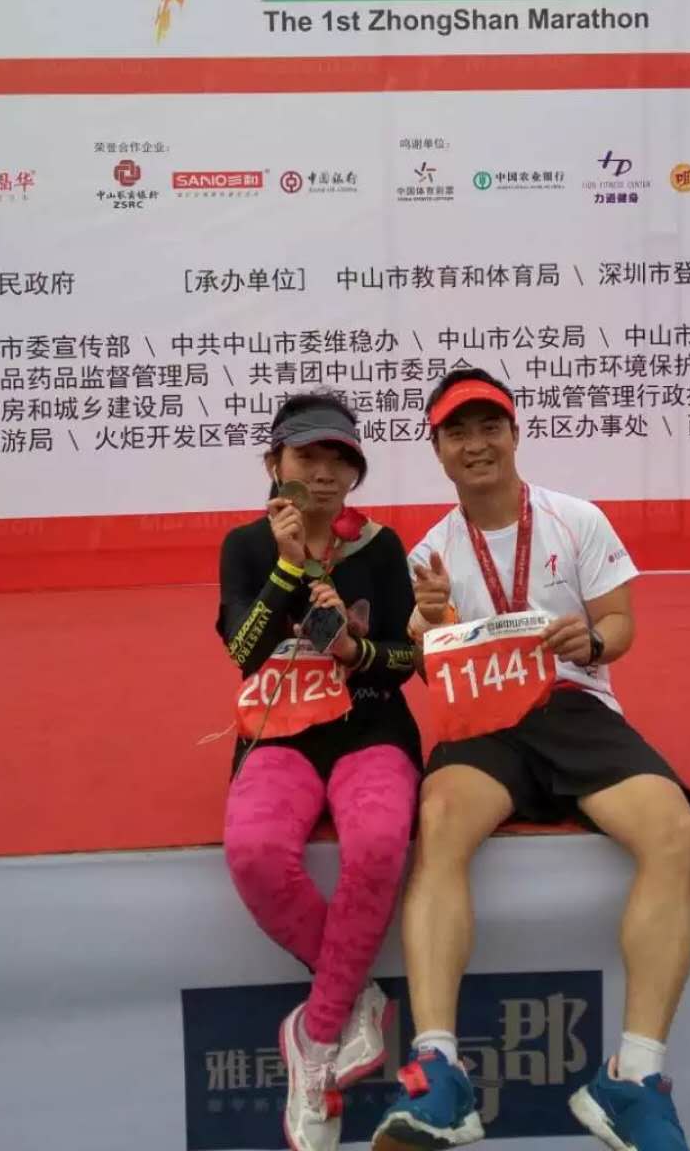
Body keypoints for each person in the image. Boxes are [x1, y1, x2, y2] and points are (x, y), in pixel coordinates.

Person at [372, 369, 690, 1151]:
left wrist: (590, 641)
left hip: (573, 707)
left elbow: (620, 623)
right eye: (458, 433)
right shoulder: (428, 554)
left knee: (675, 831)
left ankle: (633, 1078)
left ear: (514, 434)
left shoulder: (574, 519)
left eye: (489, 427)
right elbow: (432, 672)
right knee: (439, 821)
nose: (476, 445)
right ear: (438, 451)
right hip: (484, 723)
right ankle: (439, 1072)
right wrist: (429, 622)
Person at [216, 392, 422, 1151]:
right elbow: (244, 653)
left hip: (371, 726)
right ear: (274, 464)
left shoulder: (381, 547)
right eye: (307, 458)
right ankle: (354, 993)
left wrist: (354, 652)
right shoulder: (245, 545)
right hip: (280, 729)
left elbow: (408, 659)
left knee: (379, 844)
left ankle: (317, 1035)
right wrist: (287, 568)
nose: (324, 475)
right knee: (254, 853)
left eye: (340, 460)